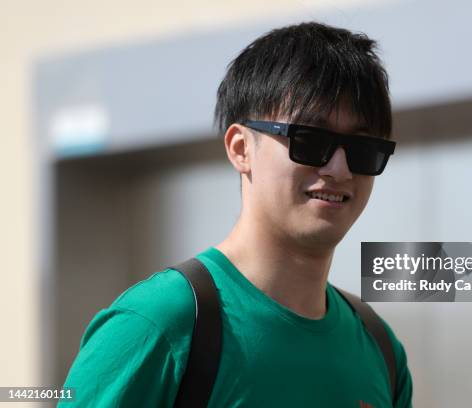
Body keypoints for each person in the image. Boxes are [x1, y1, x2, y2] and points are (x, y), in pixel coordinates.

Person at [60, 21, 414, 407]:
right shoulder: (158, 325)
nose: (339, 170)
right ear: (241, 148)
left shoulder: (379, 347)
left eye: (362, 149)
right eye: (311, 141)